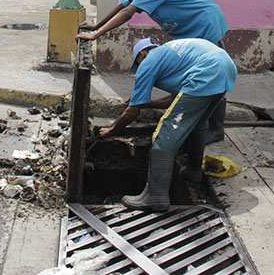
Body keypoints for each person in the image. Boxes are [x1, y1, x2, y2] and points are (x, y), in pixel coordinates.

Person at [77, 0, 229, 142]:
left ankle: (215, 129)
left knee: (213, 73)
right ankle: (200, 124)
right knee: (193, 78)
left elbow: (127, 13)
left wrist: (95, 36)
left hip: (204, 24)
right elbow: (122, 7)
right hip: (190, 30)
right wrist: (96, 26)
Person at [99, 37, 237, 211]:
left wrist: (112, 129)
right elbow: (174, 100)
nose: (140, 68)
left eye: (138, 63)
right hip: (225, 67)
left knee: (165, 132)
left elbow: (132, 113)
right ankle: (193, 171)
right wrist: (143, 102)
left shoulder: (149, 61)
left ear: (142, 54)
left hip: (206, 72)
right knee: (197, 123)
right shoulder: (170, 52)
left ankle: (155, 196)